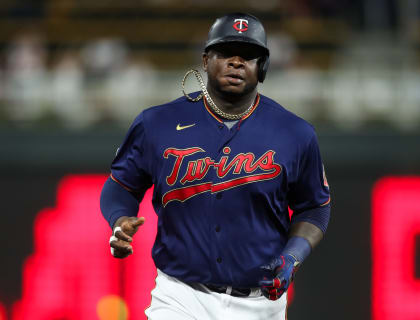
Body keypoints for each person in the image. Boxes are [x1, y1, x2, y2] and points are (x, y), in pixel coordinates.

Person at [100, 12, 331, 320]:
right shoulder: (158, 123)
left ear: (262, 68)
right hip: (180, 295)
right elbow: (120, 187)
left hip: (260, 303)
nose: (237, 62)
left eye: (249, 56)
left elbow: (314, 207)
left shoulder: (295, 133)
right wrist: (119, 220)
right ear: (206, 60)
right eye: (226, 52)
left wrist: (292, 257)